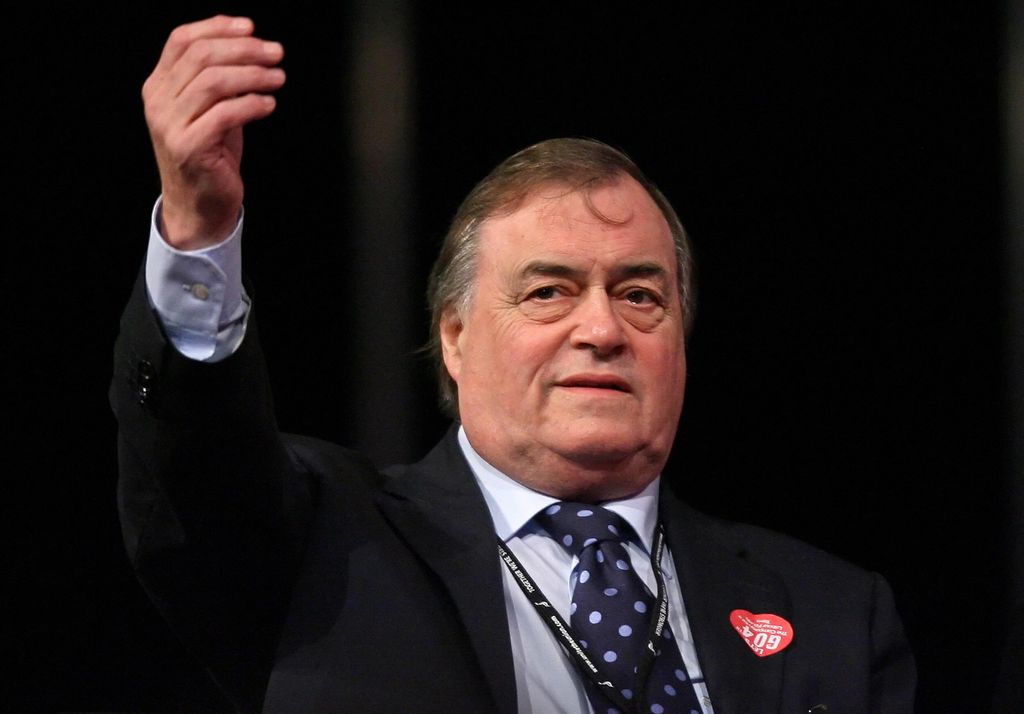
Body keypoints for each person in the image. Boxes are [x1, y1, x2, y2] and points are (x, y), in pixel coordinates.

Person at [111, 15, 916, 714]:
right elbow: (197, 465)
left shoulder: (835, 610)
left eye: (640, 296)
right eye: (548, 293)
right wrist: (197, 232)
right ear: (455, 337)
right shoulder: (325, 547)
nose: (601, 328)